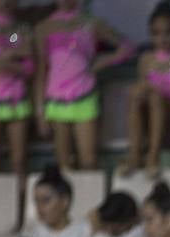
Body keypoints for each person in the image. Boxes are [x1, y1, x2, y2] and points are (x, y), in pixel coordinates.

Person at [32, 0, 134, 171]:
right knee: (64, 164)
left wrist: (102, 62)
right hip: (56, 101)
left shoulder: (91, 23)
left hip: (85, 96)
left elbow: (127, 47)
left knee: (89, 161)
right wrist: (40, 111)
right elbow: (41, 72)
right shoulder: (44, 28)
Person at [119, 2, 170, 181]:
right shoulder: (146, 59)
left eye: (168, 33)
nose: (162, 39)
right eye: (156, 33)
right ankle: (135, 153)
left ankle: (153, 156)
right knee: (137, 93)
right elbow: (140, 96)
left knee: (155, 96)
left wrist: (153, 87)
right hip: (154, 122)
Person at [0, 0, 35, 182]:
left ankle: (20, 208)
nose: (5, 2)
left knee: (19, 161)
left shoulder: (19, 31)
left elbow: (29, 68)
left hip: (16, 101)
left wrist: (5, 58)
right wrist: (9, 57)